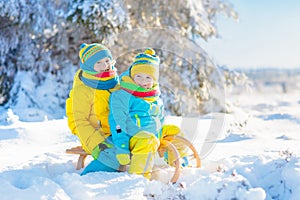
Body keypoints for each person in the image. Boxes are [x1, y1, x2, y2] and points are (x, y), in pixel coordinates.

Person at [109, 48, 187, 179]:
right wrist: (122, 147)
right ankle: (138, 178)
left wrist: (162, 136)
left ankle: (175, 161)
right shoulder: (123, 95)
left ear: (154, 80)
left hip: (155, 133)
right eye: (138, 76)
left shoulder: (155, 97)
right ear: (132, 75)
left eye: (148, 77)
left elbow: (160, 119)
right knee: (148, 140)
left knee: (176, 131)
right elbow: (117, 122)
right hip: (133, 136)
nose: (142, 81)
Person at [66, 43, 121, 174]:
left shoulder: (114, 82)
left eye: (107, 61)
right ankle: (88, 178)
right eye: (98, 63)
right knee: (113, 157)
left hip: (117, 132)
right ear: (89, 66)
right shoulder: (83, 90)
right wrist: (98, 144)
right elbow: (79, 122)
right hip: (97, 137)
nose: (105, 66)